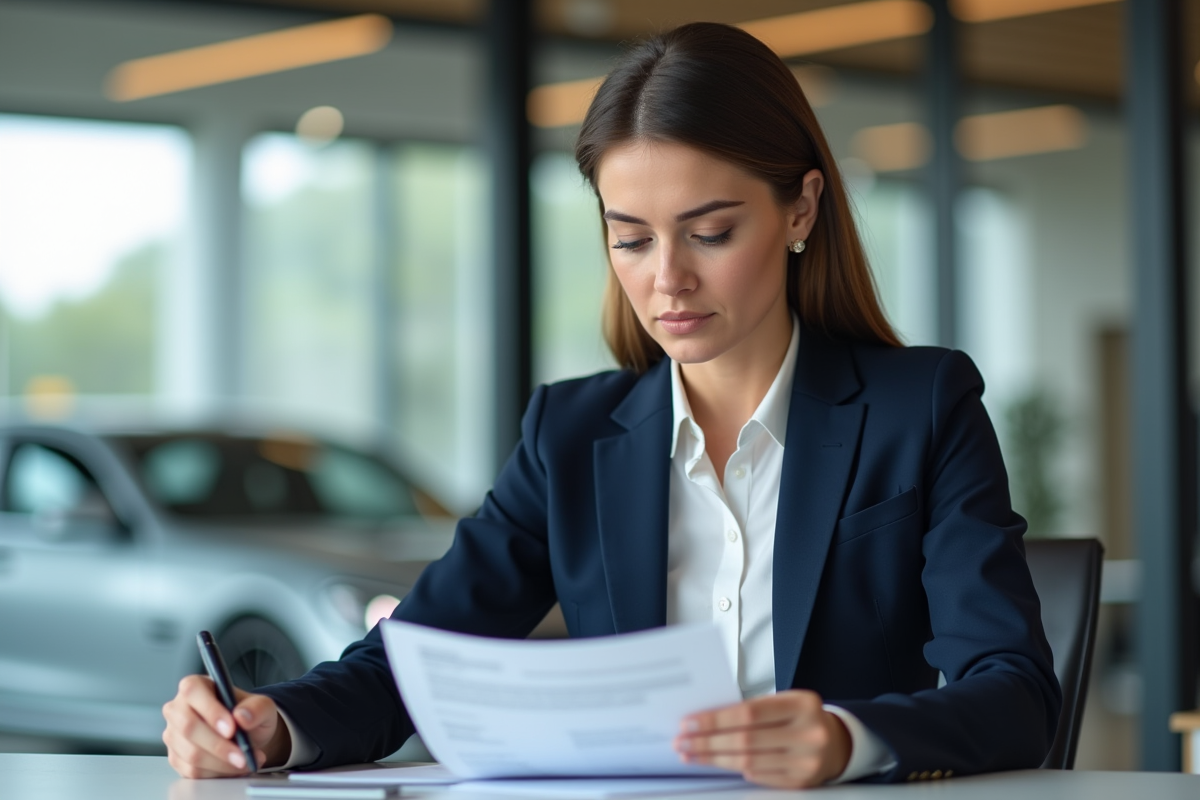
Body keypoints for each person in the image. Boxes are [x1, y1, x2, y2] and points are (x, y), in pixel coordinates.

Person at [162, 21, 1060, 787]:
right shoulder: (570, 436)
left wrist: (847, 741)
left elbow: (1015, 689)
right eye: (630, 239)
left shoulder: (923, 407)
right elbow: (415, 661)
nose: (667, 279)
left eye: (710, 232)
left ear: (801, 210)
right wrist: (273, 723)